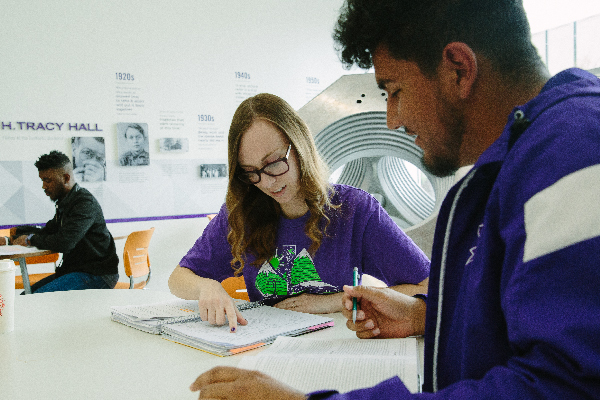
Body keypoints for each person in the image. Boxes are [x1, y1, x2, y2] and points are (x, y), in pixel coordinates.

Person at [189, 0, 600, 399]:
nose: (392, 120)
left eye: (394, 90)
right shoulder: (517, 164)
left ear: (458, 69)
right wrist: (425, 315)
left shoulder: (574, 152)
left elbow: (570, 385)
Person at [169, 93, 430, 332]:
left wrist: (331, 301)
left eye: (273, 163)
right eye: (251, 172)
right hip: (266, 348)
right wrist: (207, 286)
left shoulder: (355, 209)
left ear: (299, 146)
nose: (267, 182)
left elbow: (426, 285)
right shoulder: (240, 214)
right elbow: (178, 278)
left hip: (336, 345)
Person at [12, 151, 119, 293]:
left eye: (48, 180)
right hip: (75, 271)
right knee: (25, 296)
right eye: (42, 180)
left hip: (98, 274)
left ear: (66, 178)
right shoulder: (65, 202)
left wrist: (30, 239)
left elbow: (65, 242)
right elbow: (48, 231)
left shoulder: (84, 202)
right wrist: (13, 236)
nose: (43, 186)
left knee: (35, 299)